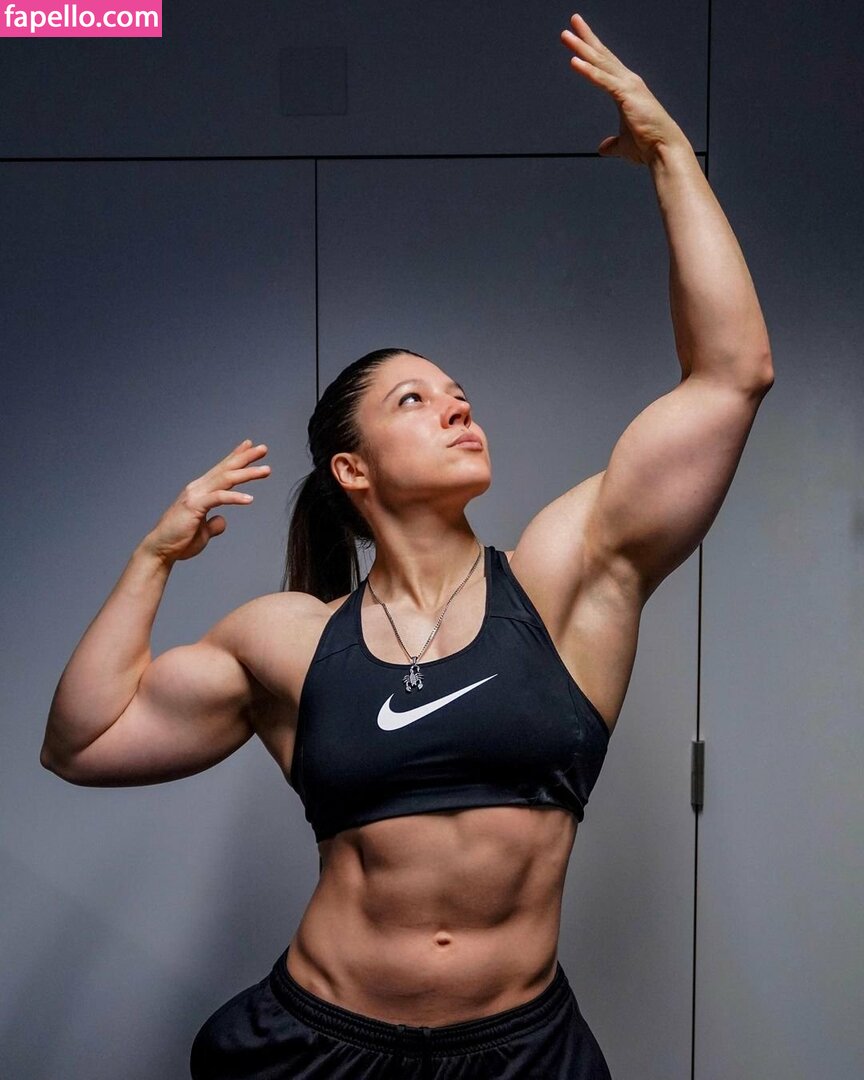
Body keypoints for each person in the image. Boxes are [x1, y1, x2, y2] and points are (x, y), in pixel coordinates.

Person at [39, 13, 774, 1079]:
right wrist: (151, 560)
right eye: (414, 399)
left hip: (516, 1050)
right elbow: (83, 743)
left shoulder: (566, 579)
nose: (456, 405)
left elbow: (731, 376)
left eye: (457, 391)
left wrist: (668, 153)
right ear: (353, 470)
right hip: (317, 1043)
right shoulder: (289, 640)